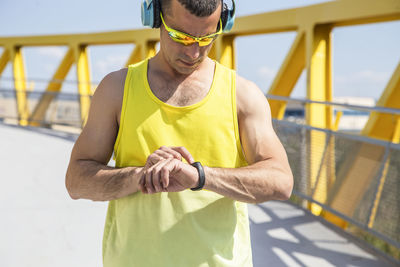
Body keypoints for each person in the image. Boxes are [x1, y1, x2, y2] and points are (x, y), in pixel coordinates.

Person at [65, 0, 293, 266]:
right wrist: (142, 177)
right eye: (181, 37)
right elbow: (76, 181)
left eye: (207, 37)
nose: (193, 52)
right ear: (155, 17)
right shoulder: (116, 89)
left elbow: (281, 181)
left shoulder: (243, 95)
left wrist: (199, 176)